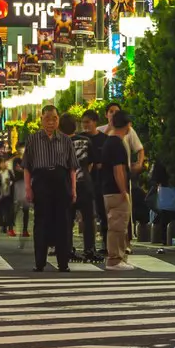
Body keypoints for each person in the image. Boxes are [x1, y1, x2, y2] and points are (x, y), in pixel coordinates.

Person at [25, 103, 79, 272]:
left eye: (54, 119)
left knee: (63, 222)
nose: (51, 122)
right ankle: (39, 262)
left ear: (58, 120)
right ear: (41, 119)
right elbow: (27, 166)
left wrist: (74, 189)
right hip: (41, 181)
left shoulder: (65, 139)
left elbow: (72, 168)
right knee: (41, 221)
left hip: (61, 180)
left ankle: (63, 263)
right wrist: (28, 188)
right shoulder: (33, 139)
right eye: (47, 118)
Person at [102, 111, 137, 268]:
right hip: (116, 191)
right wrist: (124, 191)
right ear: (128, 125)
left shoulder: (109, 141)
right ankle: (115, 258)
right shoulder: (117, 144)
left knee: (116, 225)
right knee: (118, 226)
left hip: (108, 190)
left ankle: (118, 257)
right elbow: (119, 170)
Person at [70, 111, 102, 262]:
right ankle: (89, 249)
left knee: (67, 218)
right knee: (89, 218)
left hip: (68, 185)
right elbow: (93, 163)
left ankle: (66, 248)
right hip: (85, 184)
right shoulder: (85, 141)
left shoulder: (61, 142)